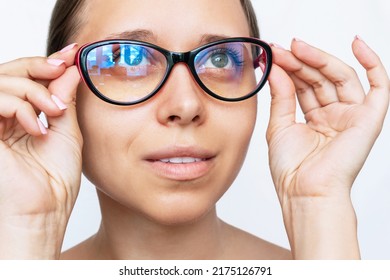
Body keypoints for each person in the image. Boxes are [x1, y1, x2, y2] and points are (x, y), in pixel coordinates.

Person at [0, 0, 388, 260]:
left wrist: (318, 207)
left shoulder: (330, 256)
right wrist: (27, 231)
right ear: (56, 87)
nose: (185, 106)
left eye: (221, 58)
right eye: (130, 57)